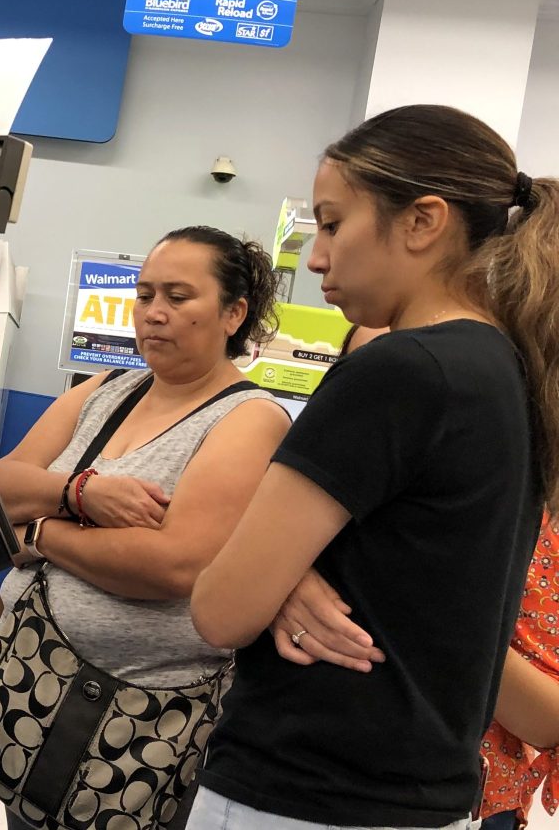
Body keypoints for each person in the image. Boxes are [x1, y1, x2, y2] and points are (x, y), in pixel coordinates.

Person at [189, 104, 558, 829]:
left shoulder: (403, 369)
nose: (318, 255)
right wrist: (287, 573)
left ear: (423, 221)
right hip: (425, 795)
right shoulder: (513, 375)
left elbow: (220, 609)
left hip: (303, 790)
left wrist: (269, 575)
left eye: (331, 222)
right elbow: (414, 584)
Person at [0, 225, 292, 829]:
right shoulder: (107, 389)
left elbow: (176, 566)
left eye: (178, 298)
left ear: (234, 313)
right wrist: (82, 492)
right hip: (32, 686)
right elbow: (1, 483)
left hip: (136, 729)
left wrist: (41, 537)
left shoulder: (249, 419)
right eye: (145, 294)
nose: (154, 314)